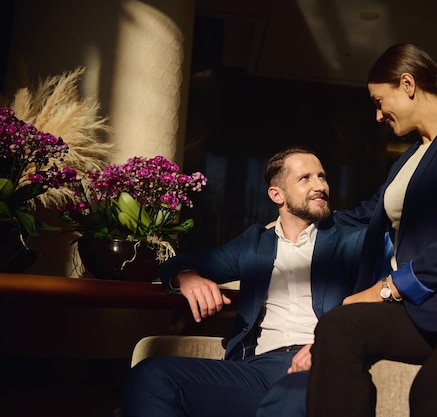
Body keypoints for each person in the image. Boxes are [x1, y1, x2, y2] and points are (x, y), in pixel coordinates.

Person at [305, 43, 437, 417]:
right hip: (420, 312)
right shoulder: (407, 159)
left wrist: (384, 289)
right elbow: (365, 214)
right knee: (338, 325)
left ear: (407, 84)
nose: (377, 115)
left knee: (433, 396)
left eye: (378, 101)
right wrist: (302, 214)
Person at [120, 146, 375, 417]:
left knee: (290, 400)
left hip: (319, 363)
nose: (320, 186)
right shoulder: (254, 243)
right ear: (277, 195)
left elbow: (383, 295)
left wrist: (330, 345)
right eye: (305, 178)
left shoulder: (350, 239)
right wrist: (186, 278)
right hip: (256, 369)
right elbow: (176, 264)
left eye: (322, 177)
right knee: (151, 375)